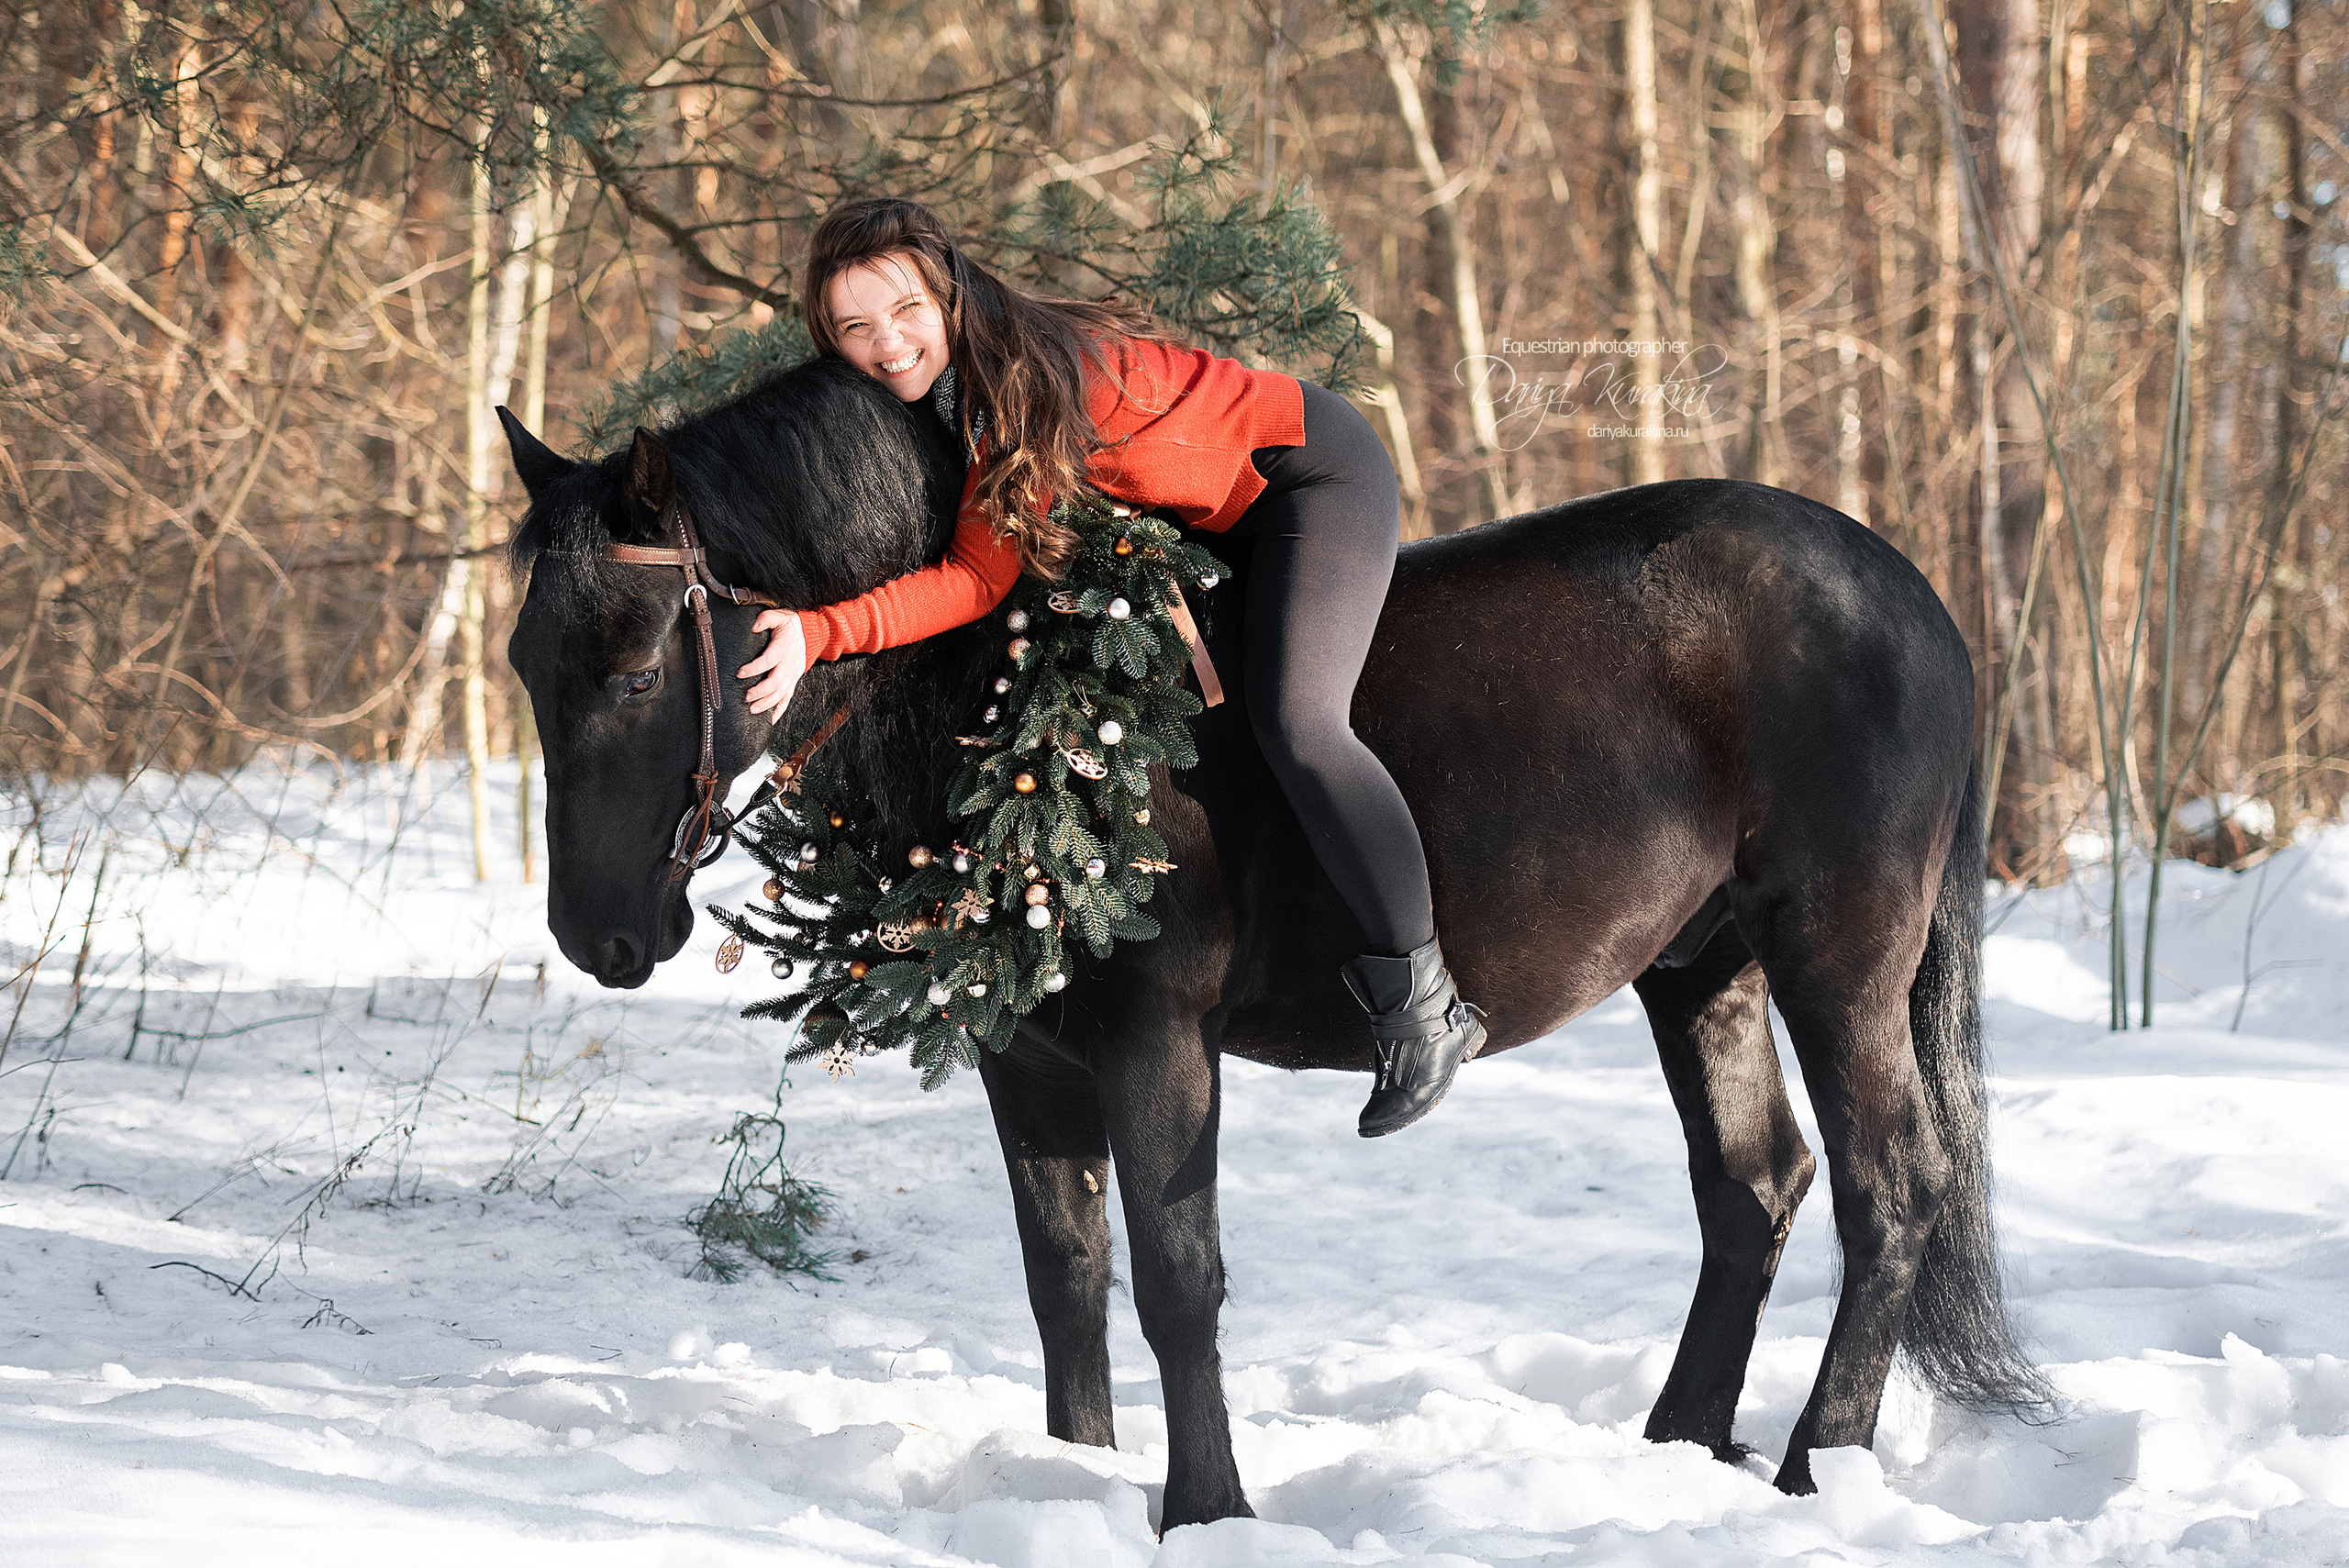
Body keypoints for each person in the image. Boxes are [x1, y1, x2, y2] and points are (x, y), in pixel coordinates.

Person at [737, 197, 1483, 1137]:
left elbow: (974, 576)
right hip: (1213, 516)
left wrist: (820, 633)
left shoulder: (1016, 389)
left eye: (906, 311)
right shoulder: (955, 389)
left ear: (952, 295)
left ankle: (1424, 1003)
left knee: (1299, 723)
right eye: (855, 327)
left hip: (1305, 473)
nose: (886, 344)